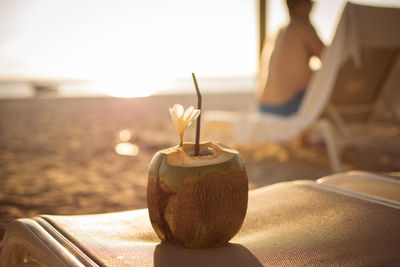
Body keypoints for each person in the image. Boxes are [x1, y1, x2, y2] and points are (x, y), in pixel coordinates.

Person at [256, 0, 324, 116]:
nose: (313, 7)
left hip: (263, 107)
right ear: (302, 5)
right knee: (325, 87)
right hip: (286, 106)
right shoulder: (303, 26)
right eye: (310, 3)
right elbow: (329, 59)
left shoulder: (278, 32)